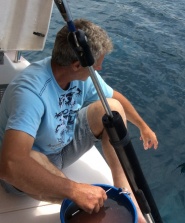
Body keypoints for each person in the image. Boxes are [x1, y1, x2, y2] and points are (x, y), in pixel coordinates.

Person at [0, 19, 158, 223]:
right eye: (97, 63)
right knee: (28, 154)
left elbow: (116, 98)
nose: (99, 68)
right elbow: (10, 165)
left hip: (62, 148)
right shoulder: (30, 93)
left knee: (112, 108)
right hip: (30, 168)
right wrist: (74, 189)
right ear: (77, 65)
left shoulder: (80, 75)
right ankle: (74, 201)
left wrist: (143, 127)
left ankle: (124, 193)